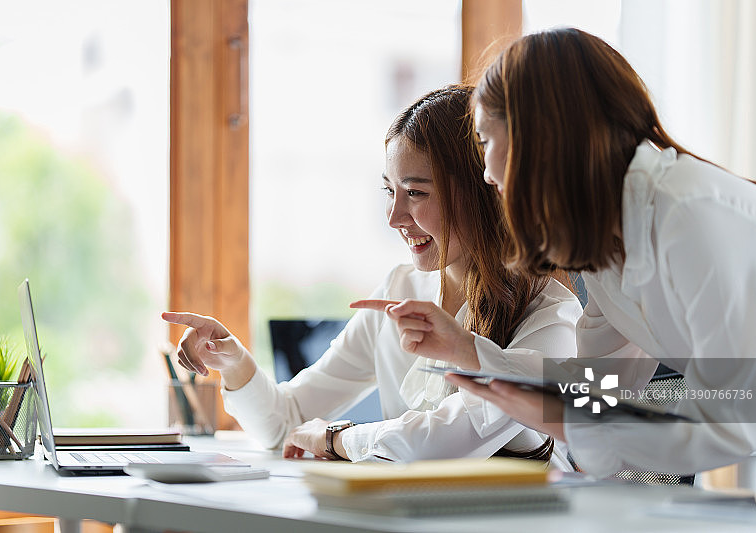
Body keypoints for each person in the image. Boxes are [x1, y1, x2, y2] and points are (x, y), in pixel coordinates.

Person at [359, 28, 756, 479]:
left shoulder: (688, 216)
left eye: (485, 142)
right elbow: (599, 388)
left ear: (541, 139)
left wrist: (568, 421)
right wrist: (469, 351)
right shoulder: (610, 248)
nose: (487, 173)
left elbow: (733, 423)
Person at [163, 84, 583, 466]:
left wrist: (337, 439)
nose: (394, 217)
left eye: (415, 193)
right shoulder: (400, 289)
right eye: (389, 191)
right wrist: (233, 361)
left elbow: (443, 441)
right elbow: (285, 424)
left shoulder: (552, 315)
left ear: (482, 192)